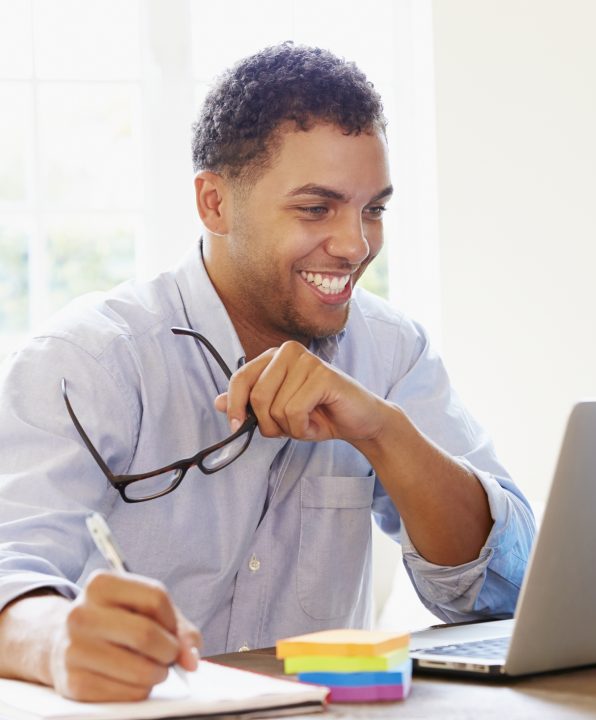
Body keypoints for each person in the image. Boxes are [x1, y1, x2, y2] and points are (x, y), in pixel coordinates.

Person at [0, 43, 534, 701]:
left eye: (373, 209)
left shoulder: (392, 352)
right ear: (214, 203)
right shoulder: (88, 361)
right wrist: (54, 640)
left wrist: (384, 433)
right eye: (317, 208)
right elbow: (8, 575)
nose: (355, 244)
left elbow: (505, 592)